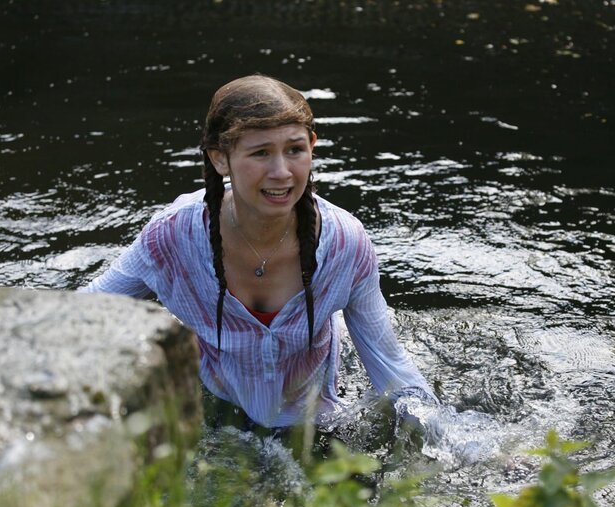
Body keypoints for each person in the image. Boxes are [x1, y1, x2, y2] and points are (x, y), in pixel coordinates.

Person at [82, 74, 436, 428]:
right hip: (216, 402)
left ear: (312, 146)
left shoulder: (346, 243)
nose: (281, 172)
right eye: (261, 153)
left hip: (317, 417)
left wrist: (444, 436)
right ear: (220, 159)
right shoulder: (171, 237)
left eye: (295, 150)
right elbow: (85, 312)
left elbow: (392, 367)